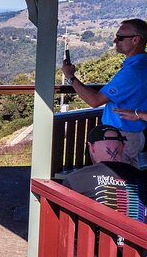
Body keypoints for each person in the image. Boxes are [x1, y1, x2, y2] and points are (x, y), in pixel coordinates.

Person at [62, 18, 147, 168]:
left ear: (136, 40)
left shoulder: (133, 72)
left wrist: (70, 77)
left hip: (122, 137)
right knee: (129, 179)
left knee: (116, 181)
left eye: (120, 37)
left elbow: (94, 100)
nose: (115, 40)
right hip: (134, 135)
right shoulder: (141, 65)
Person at [63, 125, 146, 223]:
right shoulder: (143, 178)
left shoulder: (74, 180)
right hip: (137, 237)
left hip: (92, 237)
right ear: (123, 147)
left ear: (91, 147)